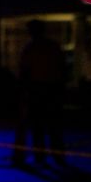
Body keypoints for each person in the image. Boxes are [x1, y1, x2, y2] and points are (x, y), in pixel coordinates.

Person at [13, 20, 67, 166]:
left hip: (38, 89)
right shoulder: (52, 47)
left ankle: (41, 156)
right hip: (50, 89)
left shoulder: (31, 48)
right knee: (51, 126)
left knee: (39, 126)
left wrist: (23, 90)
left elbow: (24, 71)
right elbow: (62, 68)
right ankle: (56, 156)